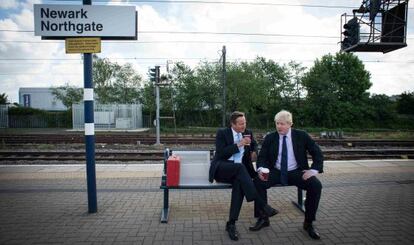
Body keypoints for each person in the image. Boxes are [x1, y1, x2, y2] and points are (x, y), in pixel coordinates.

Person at [251, 110, 323, 240]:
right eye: (277, 123)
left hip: (296, 171)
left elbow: (317, 152)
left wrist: (313, 170)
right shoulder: (270, 137)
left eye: (282, 124)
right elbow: (262, 157)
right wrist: (261, 169)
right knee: (257, 182)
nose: (279, 126)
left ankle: (308, 222)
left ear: (290, 124)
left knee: (316, 186)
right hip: (276, 171)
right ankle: (263, 218)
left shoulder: (301, 136)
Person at [209, 111, 278, 241]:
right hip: (222, 168)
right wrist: (239, 144)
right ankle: (263, 206)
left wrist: (253, 151)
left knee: (239, 185)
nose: (244, 126)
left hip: (240, 173)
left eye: (245, 123)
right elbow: (221, 153)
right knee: (240, 169)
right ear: (232, 124)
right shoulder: (222, 133)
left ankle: (231, 223)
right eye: (241, 124)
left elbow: (254, 145)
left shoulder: (248, 133)